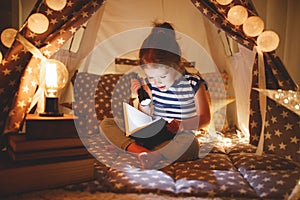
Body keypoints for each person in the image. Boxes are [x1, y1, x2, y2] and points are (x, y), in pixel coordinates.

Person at [100, 21, 211, 169]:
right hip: (150, 135)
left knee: (191, 144)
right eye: (151, 77)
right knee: (106, 124)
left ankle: (134, 150)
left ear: (177, 65)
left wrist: (182, 125)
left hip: (175, 137)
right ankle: (141, 151)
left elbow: (205, 118)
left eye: (163, 77)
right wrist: (143, 98)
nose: (157, 82)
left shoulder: (194, 84)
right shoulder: (150, 86)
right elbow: (143, 118)